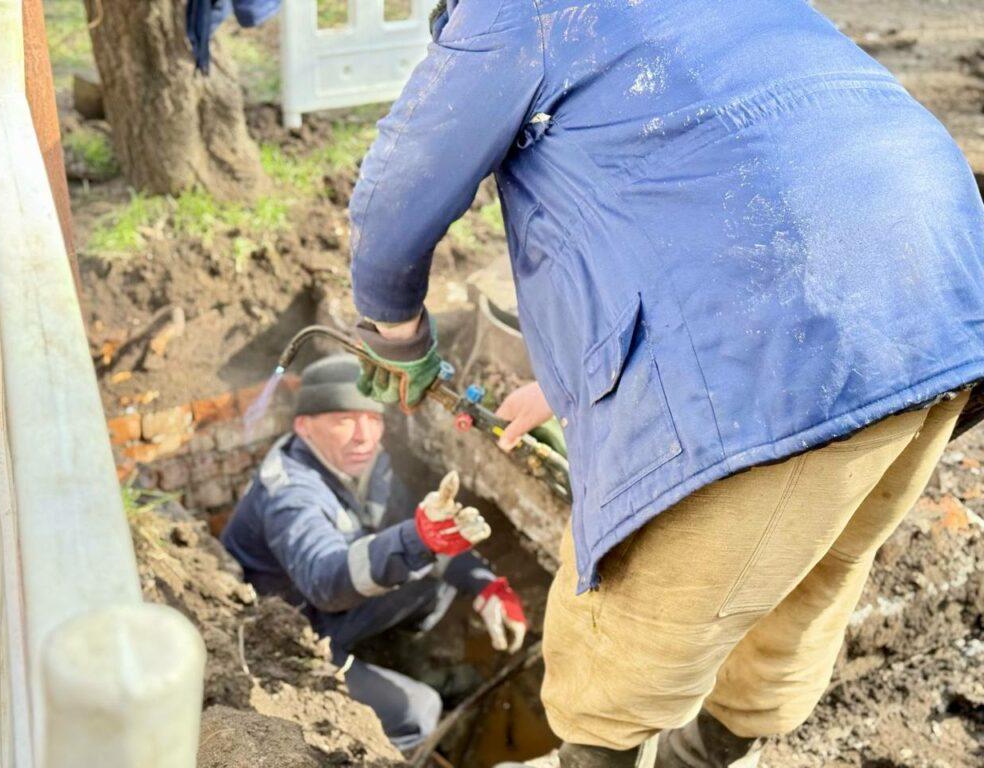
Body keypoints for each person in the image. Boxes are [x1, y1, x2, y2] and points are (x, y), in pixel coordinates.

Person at [345, 1, 984, 766]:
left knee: (624, 636)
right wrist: (563, 384)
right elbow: (702, 184)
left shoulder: (518, 9)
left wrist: (399, 334)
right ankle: (710, 753)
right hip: (945, 297)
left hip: (779, 339)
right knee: (809, 583)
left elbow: (398, 190)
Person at [221, 354, 528, 751]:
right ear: (304, 426)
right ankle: (385, 747)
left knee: (432, 585)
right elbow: (326, 581)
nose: (364, 435)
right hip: (287, 634)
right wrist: (418, 539)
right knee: (419, 710)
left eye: (373, 418)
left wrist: (485, 585)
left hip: (327, 609)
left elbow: (417, 532)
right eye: (344, 419)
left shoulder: (366, 462)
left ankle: (399, 658)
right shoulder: (291, 496)